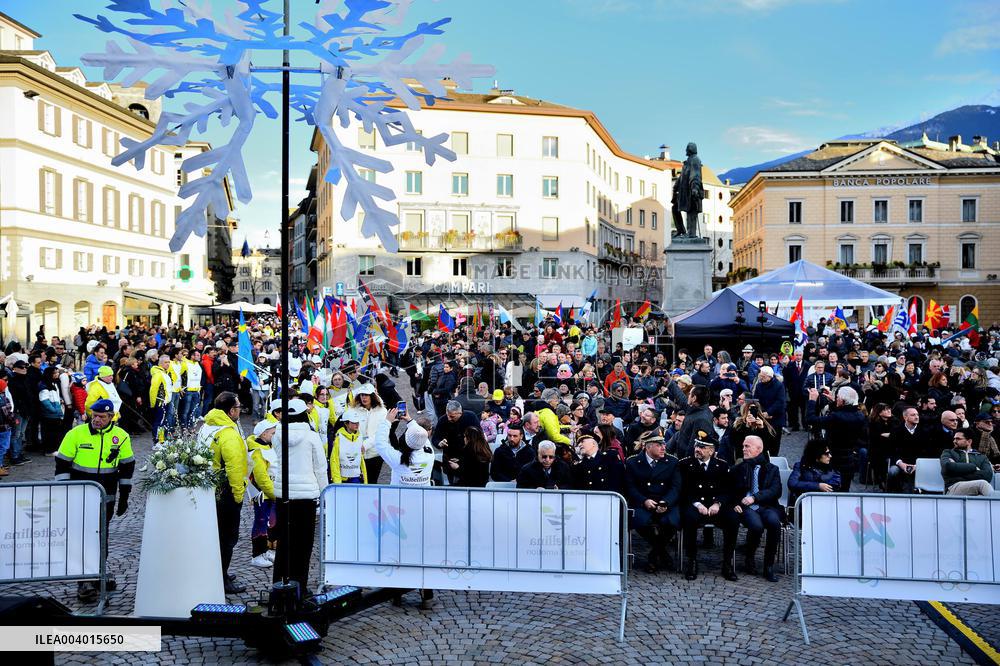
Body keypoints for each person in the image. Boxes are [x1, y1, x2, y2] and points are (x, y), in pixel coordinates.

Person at [54, 398, 134, 601]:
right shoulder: (76, 434)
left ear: (111, 417)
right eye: (94, 415)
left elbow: (127, 467)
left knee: (101, 538)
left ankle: (98, 574)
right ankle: (85, 582)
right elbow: (62, 465)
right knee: (84, 538)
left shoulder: (121, 436)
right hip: (79, 497)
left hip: (105, 497)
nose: (97, 419)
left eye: (102, 417)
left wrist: (124, 497)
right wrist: (65, 492)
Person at [270, 398, 328, 595]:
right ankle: (299, 587)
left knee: (284, 542)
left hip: (282, 493)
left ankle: (279, 583)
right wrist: (324, 492)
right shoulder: (311, 437)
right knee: (303, 545)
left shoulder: (277, 435)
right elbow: (320, 468)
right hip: (305, 496)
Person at [199, 391, 249, 594]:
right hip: (224, 491)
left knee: (215, 535)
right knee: (227, 537)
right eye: (238, 407)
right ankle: (222, 578)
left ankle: (218, 572)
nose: (239, 411)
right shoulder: (228, 433)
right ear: (230, 411)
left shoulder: (207, 426)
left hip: (207, 487)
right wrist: (238, 495)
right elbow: (235, 467)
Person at [678, 432, 737, 581]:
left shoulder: (721, 465)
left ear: (711, 451)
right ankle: (691, 561)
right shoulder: (685, 464)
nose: (697, 449)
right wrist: (698, 504)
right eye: (697, 445)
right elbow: (683, 489)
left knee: (733, 519)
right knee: (689, 518)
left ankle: (727, 563)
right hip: (695, 504)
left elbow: (727, 489)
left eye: (702, 447)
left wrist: (717, 503)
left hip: (715, 506)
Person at [728, 435, 782, 582]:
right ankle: (749, 558)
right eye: (743, 446)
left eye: (747, 446)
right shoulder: (738, 468)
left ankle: (768, 566)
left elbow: (775, 490)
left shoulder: (772, 469)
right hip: (745, 508)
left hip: (765, 505)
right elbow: (729, 490)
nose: (743, 449)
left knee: (774, 523)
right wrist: (735, 504)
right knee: (756, 526)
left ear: (759, 449)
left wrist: (755, 497)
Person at [624, 434, 681, 573]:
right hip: (642, 501)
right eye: (659, 445)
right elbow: (630, 487)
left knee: (672, 522)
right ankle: (661, 552)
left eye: (664, 445)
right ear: (648, 447)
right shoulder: (633, 462)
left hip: (665, 501)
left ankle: (654, 555)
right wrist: (644, 500)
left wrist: (665, 502)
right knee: (641, 522)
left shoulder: (672, 462)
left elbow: (676, 487)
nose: (663, 448)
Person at [805, 385, 866, 491]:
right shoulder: (860, 415)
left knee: (830, 489)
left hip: (833, 459)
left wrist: (812, 401)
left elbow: (811, 419)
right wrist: (835, 402)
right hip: (849, 458)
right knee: (845, 489)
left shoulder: (837, 417)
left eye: (838, 398)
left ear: (842, 401)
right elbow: (845, 411)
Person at [374, 408, 435, 486]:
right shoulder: (430, 454)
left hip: (399, 497)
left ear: (406, 438)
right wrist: (410, 420)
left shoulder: (397, 459)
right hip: (422, 497)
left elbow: (380, 443)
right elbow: (421, 436)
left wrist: (387, 421)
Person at [246, 420, 277, 568]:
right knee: (260, 523)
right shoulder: (257, 452)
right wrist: (274, 493)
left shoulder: (269, 446)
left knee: (270, 523)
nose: (274, 435)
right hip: (262, 494)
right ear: (264, 434)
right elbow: (261, 477)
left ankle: (266, 551)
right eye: (272, 433)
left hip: (270, 493)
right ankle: (257, 555)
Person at [940, 428, 994, 496]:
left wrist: (958, 471)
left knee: (984, 489)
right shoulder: (948, 452)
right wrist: (973, 467)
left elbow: (987, 475)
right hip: (953, 487)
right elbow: (948, 466)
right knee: (983, 484)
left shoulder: (981, 457)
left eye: (958, 439)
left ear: (969, 441)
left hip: (975, 488)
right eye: (954, 439)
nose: (954, 441)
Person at [787, 439, 841, 506]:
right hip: (804, 505)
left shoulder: (832, 468)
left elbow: (834, 485)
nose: (830, 456)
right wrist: (817, 486)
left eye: (829, 453)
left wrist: (806, 486)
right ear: (817, 456)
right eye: (826, 454)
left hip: (825, 504)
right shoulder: (800, 466)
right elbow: (792, 483)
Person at [330, 407, 367, 483]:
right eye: (353, 422)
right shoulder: (339, 437)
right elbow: (334, 460)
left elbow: (361, 461)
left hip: (356, 477)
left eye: (357, 422)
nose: (357, 424)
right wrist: (337, 482)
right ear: (346, 423)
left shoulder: (360, 436)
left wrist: (365, 480)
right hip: (343, 479)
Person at [38, 366, 65, 455]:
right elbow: (44, 400)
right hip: (50, 414)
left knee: (54, 433)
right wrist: (53, 410)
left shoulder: (54, 383)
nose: (57, 374)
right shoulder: (44, 385)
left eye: (57, 372)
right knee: (50, 433)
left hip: (55, 412)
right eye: (54, 373)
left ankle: (53, 449)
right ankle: (49, 450)